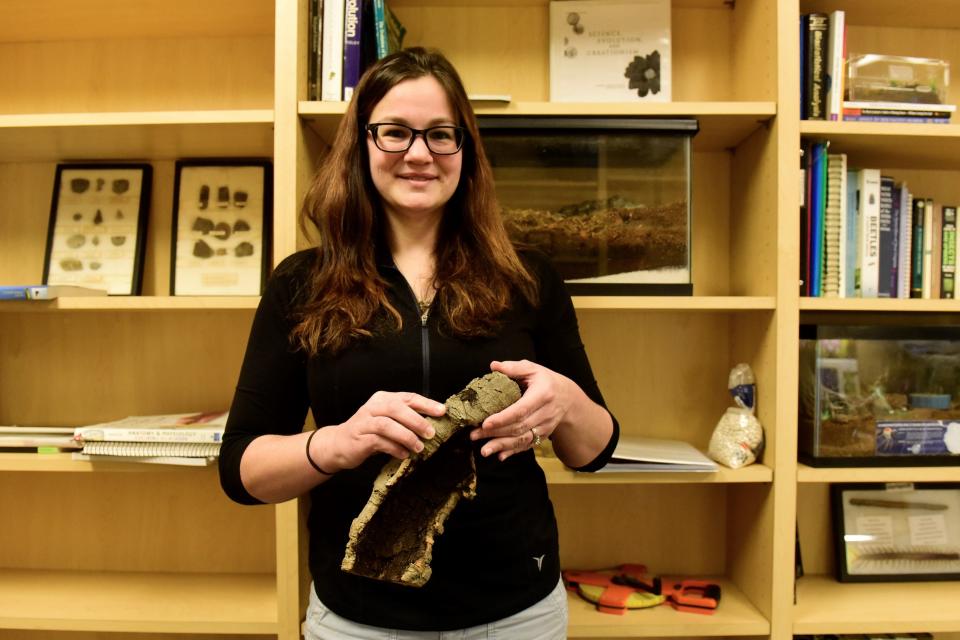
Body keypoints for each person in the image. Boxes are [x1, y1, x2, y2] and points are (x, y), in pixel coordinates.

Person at [219, 46, 619, 640]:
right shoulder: (301, 283)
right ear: (361, 144)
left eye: (440, 135)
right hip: (359, 619)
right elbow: (242, 471)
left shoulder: (527, 277)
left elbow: (595, 449)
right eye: (395, 133)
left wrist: (564, 400)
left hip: (518, 613)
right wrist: (336, 443)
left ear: (466, 150)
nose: (418, 154)